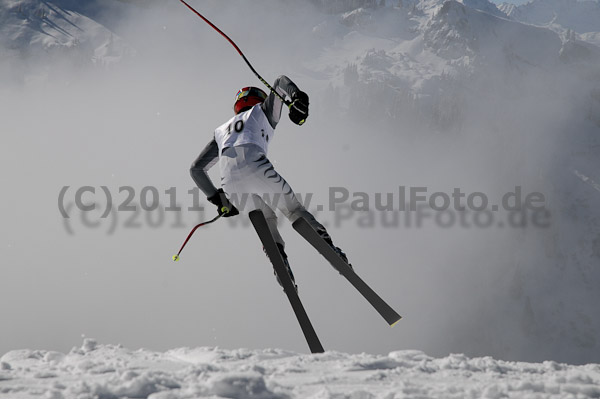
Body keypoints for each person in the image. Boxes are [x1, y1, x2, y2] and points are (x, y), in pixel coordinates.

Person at [190, 75, 348, 289]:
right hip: (256, 165)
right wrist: (297, 98)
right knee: (292, 209)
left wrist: (220, 201)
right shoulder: (262, 111)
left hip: (230, 182)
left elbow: (196, 169)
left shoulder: (221, 131)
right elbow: (281, 82)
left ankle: (279, 261)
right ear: (258, 99)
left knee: (265, 217)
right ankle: (329, 249)